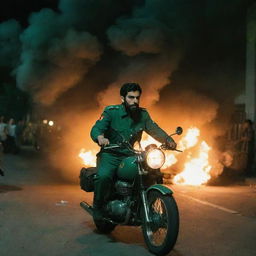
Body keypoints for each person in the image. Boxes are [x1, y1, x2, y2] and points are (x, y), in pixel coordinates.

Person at [90, 83, 177, 220]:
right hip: (111, 154)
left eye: (137, 98)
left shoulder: (143, 114)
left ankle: (145, 205)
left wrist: (168, 140)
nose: (135, 101)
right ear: (123, 98)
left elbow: (154, 129)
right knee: (104, 177)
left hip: (131, 155)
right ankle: (99, 208)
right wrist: (100, 137)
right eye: (131, 97)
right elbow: (97, 128)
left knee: (152, 174)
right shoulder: (111, 112)